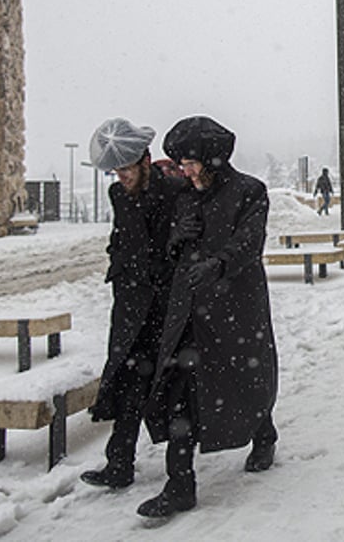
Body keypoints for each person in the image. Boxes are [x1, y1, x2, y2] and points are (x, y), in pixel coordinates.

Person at [138, 116, 279, 518]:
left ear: (213, 158)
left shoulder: (250, 191)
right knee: (181, 388)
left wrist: (219, 264)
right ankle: (179, 484)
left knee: (245, 377)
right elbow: (168, 252)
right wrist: (177, 239)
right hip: (190, 311)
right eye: (180, 162)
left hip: (236, 305)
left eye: (190, 161)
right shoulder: (186, 196)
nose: (185, 169)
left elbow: (250, 242)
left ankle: (263, 432)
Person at [80, 118, 190, 491]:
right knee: (128, 385)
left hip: (164, 307)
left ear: (144, 161)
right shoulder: (118, 195)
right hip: (130, 306)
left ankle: (180, 478)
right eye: (115, 170)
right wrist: (120, 263)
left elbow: (183, 248)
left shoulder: (176, 192)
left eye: (125, 168)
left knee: (173, 391)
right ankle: (119, 464)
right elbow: (120, 238)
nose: (120, 176)